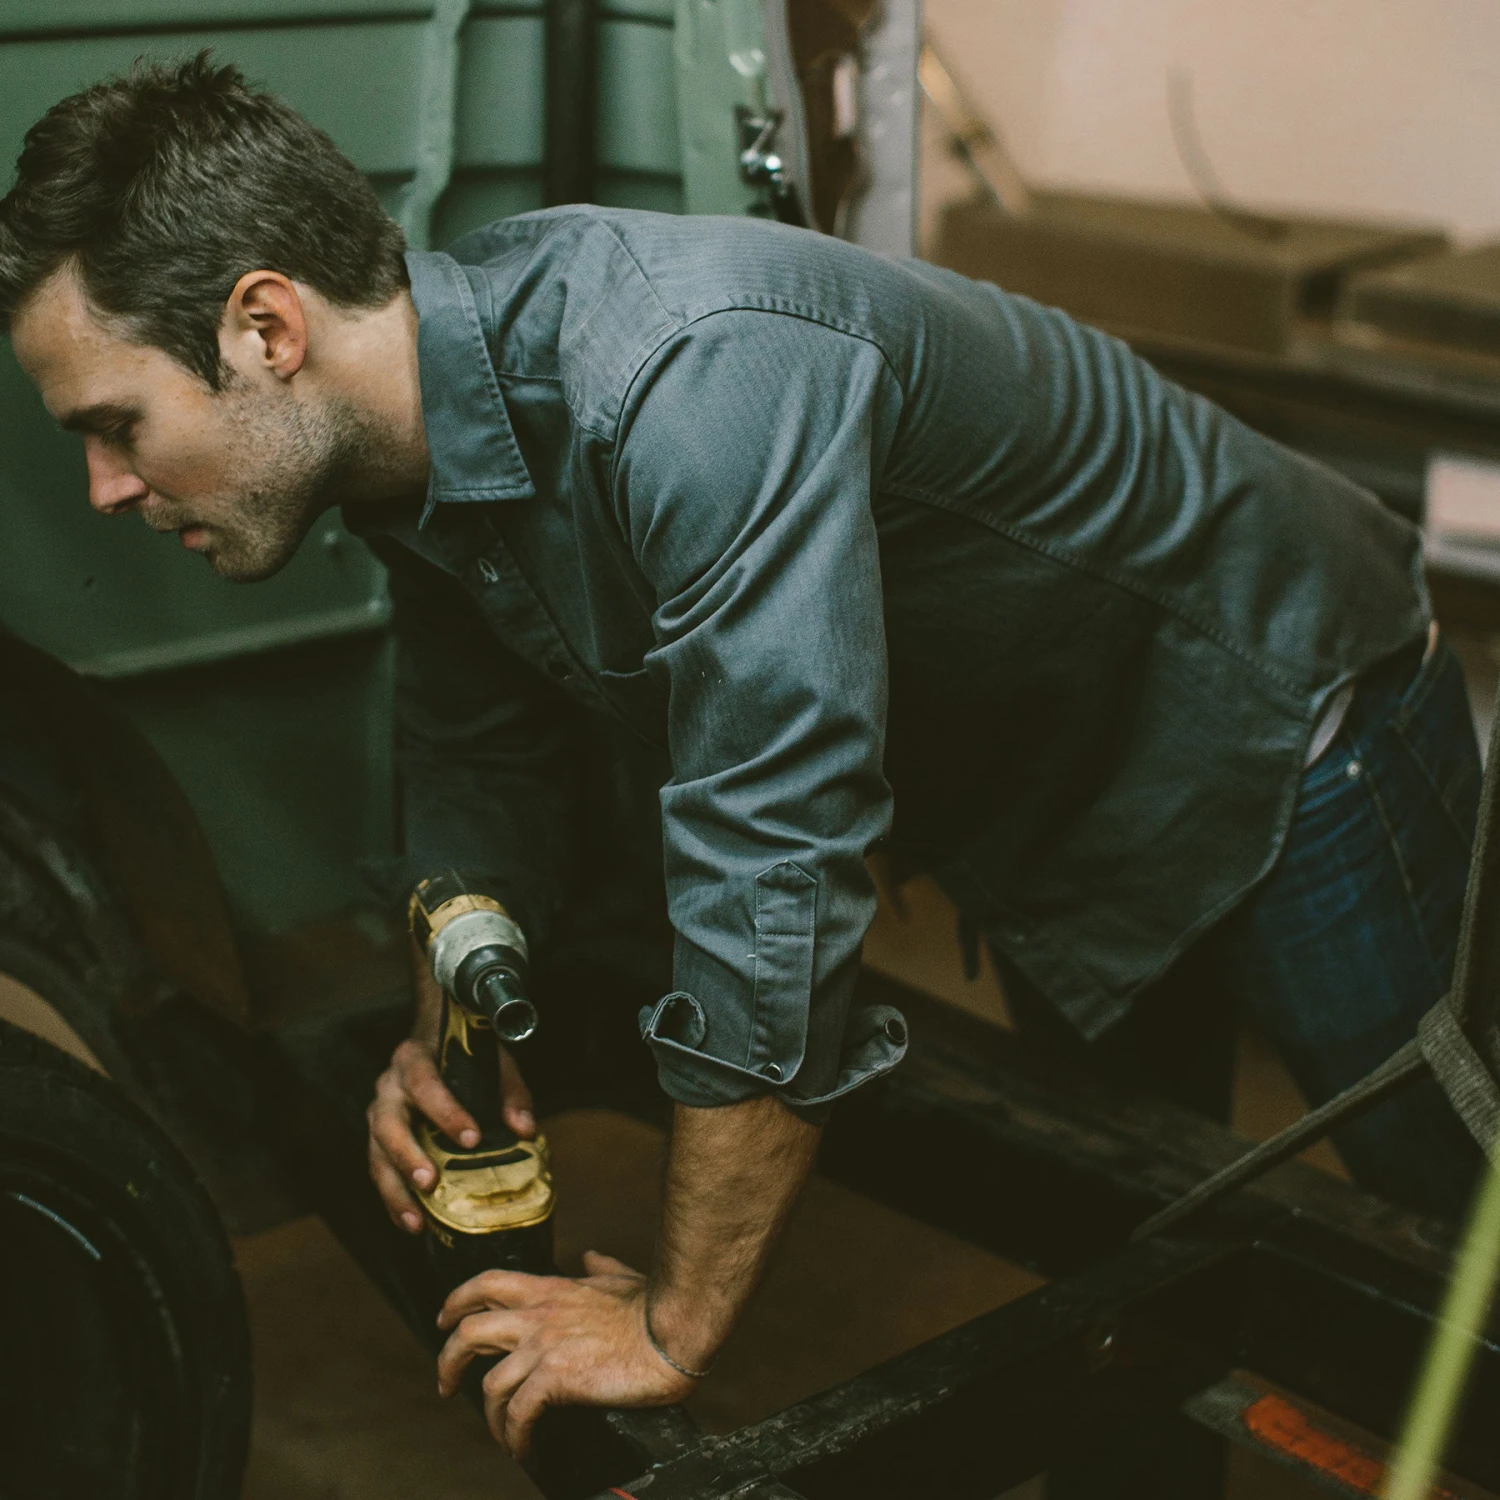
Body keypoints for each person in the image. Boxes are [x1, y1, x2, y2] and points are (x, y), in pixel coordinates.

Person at [0, 57, 1483, 1457]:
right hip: (1057, 790)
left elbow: (777, 856)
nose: (106, 487)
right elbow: (476, 754)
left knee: (1453, 1243)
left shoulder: (680, 376)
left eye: (115, 423)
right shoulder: (422, 450)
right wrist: (455, 1024)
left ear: (266, 328)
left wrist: (673, 1318)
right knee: (1144, 1255)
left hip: (1288, 708)